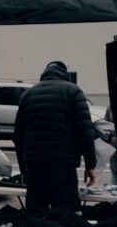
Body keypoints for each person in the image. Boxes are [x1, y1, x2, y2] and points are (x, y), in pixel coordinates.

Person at [12, 60, 98, 212]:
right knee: (66, 215)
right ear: (65, 75)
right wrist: (90, 165)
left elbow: (18, 137)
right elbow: (85, 131)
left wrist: (24, 170)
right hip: (63, 163)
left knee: (36, 215)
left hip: (34, 164)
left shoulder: (27, 95)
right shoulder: (73, 92)